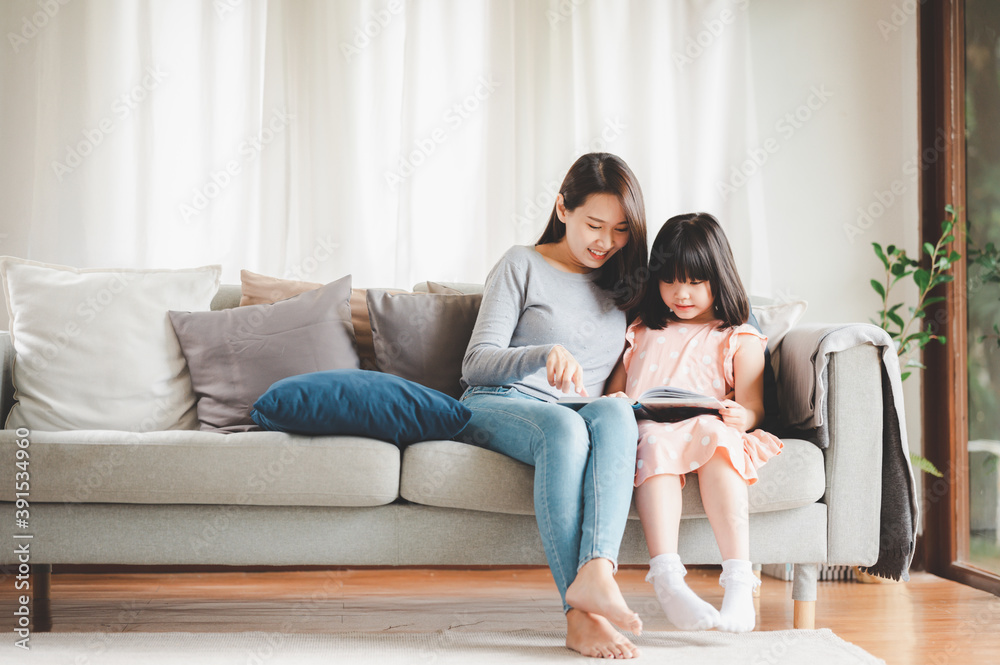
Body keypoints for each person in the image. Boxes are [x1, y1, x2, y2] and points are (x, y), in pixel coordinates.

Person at [459, 152, 648, 659]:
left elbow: (704, 308)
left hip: (578, 412)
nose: (605, 242)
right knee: (564, 431)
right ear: (563, 208)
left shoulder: (623, 285)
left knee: (615, 411)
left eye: (621, 229)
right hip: (501, 400)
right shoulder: (521, 263)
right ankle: (580, 619)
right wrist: (542, 353)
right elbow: (474, 364)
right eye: (593, 224)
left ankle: (597, 572)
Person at [605, 212, 783, 633]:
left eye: (694, 282)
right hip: (650, 429)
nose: (680, 294)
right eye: (669, 281)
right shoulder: (642, 329)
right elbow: (615, 392)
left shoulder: (738, 335)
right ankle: (668, 579)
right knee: (652, 444)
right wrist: (617, 401)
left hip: (708, 425)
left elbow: (754, 406)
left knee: (719, 438)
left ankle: (739, 580)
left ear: (718, 279)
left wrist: (744, 415)